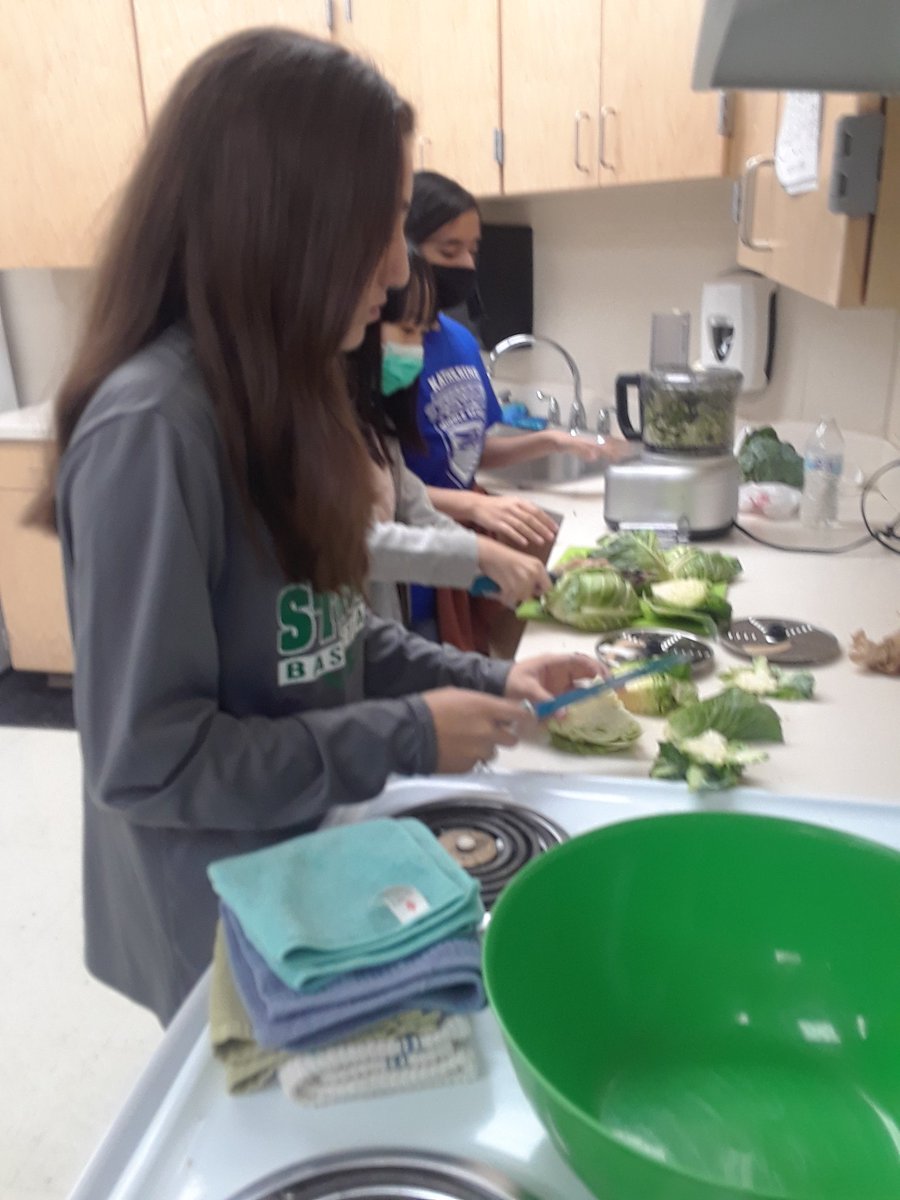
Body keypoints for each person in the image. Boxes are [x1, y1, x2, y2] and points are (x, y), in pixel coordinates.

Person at [35, 31, 600, 1025]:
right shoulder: (153, 430)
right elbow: (150, 760)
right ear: (281, 220)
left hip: (313, 851)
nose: (397, 267)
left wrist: (486, 681)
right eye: (379, 224)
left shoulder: (289, 392)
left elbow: (328, 637)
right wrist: (407, 733)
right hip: (219, 913)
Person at [401, 171, 629, 646]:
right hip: (412, 576)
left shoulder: (461, 342)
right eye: (449, 250)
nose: (466, 264)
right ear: (403, 248)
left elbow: (469, 452)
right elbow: (379, 490)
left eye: (473, 250)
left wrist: (552, 440)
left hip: (463, 559)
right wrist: (475, 506)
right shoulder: (389, 356)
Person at [355, 249, 552, 625]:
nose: (417, 350)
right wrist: (480, 554)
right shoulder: (317, 431)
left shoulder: (377, 428)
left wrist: (491, 570)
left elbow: (415, 509)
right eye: (408, 331)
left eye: (422, 333)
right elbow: (359, 545)